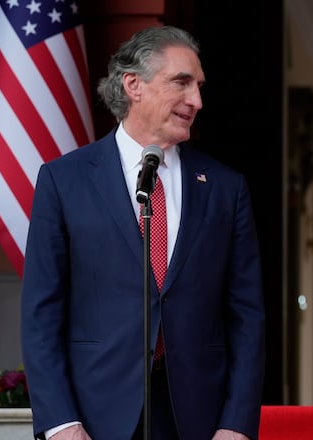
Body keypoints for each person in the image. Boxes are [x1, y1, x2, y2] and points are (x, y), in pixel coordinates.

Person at [20, 25, 265, 440]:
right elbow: (41, 314)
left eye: (199, 86)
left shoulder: (226, 188)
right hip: (96, 418)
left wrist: (236, 424)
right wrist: (60, 422)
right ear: (133, 84)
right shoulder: (64, 181)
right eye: (181, 83)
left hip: (197, 420)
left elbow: (247, 318)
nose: (197, 101)